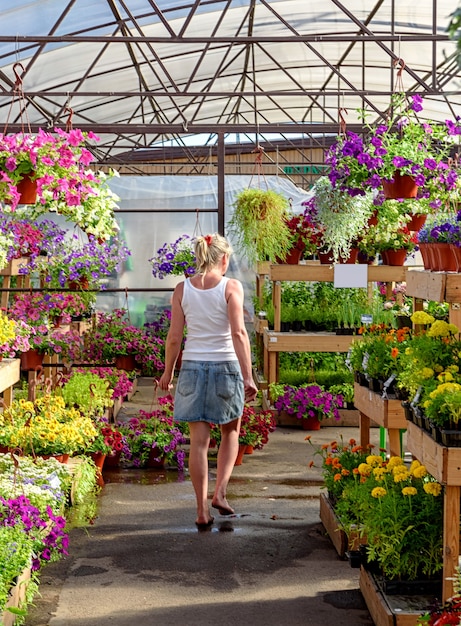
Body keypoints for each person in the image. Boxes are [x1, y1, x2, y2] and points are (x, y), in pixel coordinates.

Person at [158, 233, 258, 529]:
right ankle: (221, 494)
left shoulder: (182, 289)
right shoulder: (231, 287)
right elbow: (239, 334)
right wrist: (248, 375)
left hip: (191, 368)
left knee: (198, 444)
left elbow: (175, 337)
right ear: (224, 259)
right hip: (225, 366)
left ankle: (202, 510)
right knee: (230, 432)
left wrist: (167, 372)